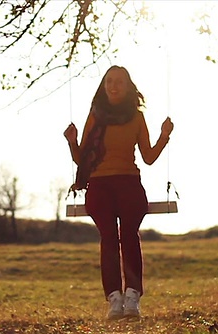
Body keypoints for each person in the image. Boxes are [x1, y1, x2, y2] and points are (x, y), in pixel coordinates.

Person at [63, 65, 174, 320]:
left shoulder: (136, 118)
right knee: (109, 239)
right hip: (99, 185)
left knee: (129, 236)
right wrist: (72, 142)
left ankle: (132, 296)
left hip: (128, 183)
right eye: (109, 81)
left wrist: (164, 136)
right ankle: (114, 298)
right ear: (104, 86)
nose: (113, 86)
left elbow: (148, 157)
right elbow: (83, 159)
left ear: (128, 87)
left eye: (119, 82)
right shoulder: (96, 116)